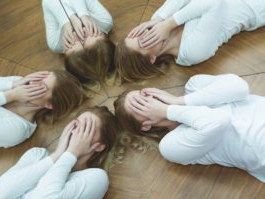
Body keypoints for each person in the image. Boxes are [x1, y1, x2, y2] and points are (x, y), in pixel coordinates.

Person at [114, 74, 265, 183]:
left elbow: (240, 87)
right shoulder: (171, 146)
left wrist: (179, 101)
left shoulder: (194, 86)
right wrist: (168, 110)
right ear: (146, 125)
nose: (150, 100)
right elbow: (218, 121)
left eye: (144, 95)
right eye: (141, 105)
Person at [115, 0, 265, 82]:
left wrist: (159, 19)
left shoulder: (160, 23)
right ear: (151, 59)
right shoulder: (191, 52)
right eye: (142, 42)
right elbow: (213, 3)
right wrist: (169, 23)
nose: (144, 34)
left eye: (136, 33)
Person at [0, 106, 118, 199]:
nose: (76, 132)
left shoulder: (96, 178)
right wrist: (57, 155)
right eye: (77, 124)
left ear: (99, 147)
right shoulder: (37, 155)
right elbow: (3, 193)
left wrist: (71, 154)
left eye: (86, 129)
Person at [0, 70, 84, 158]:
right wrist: (12, 84)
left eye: (42, 86)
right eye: (39, 78)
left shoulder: (17, 129)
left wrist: (9, 96)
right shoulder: (19, 85)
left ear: (49, 105)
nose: (32, 83)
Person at [42, 0, 115, 84]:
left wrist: (66, 22)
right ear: (104, 36)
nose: (80, 31)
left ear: (66, 53)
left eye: (73, 42)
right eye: (90, 33)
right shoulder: (105, 22)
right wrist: (83, 15)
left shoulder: (55, 44)